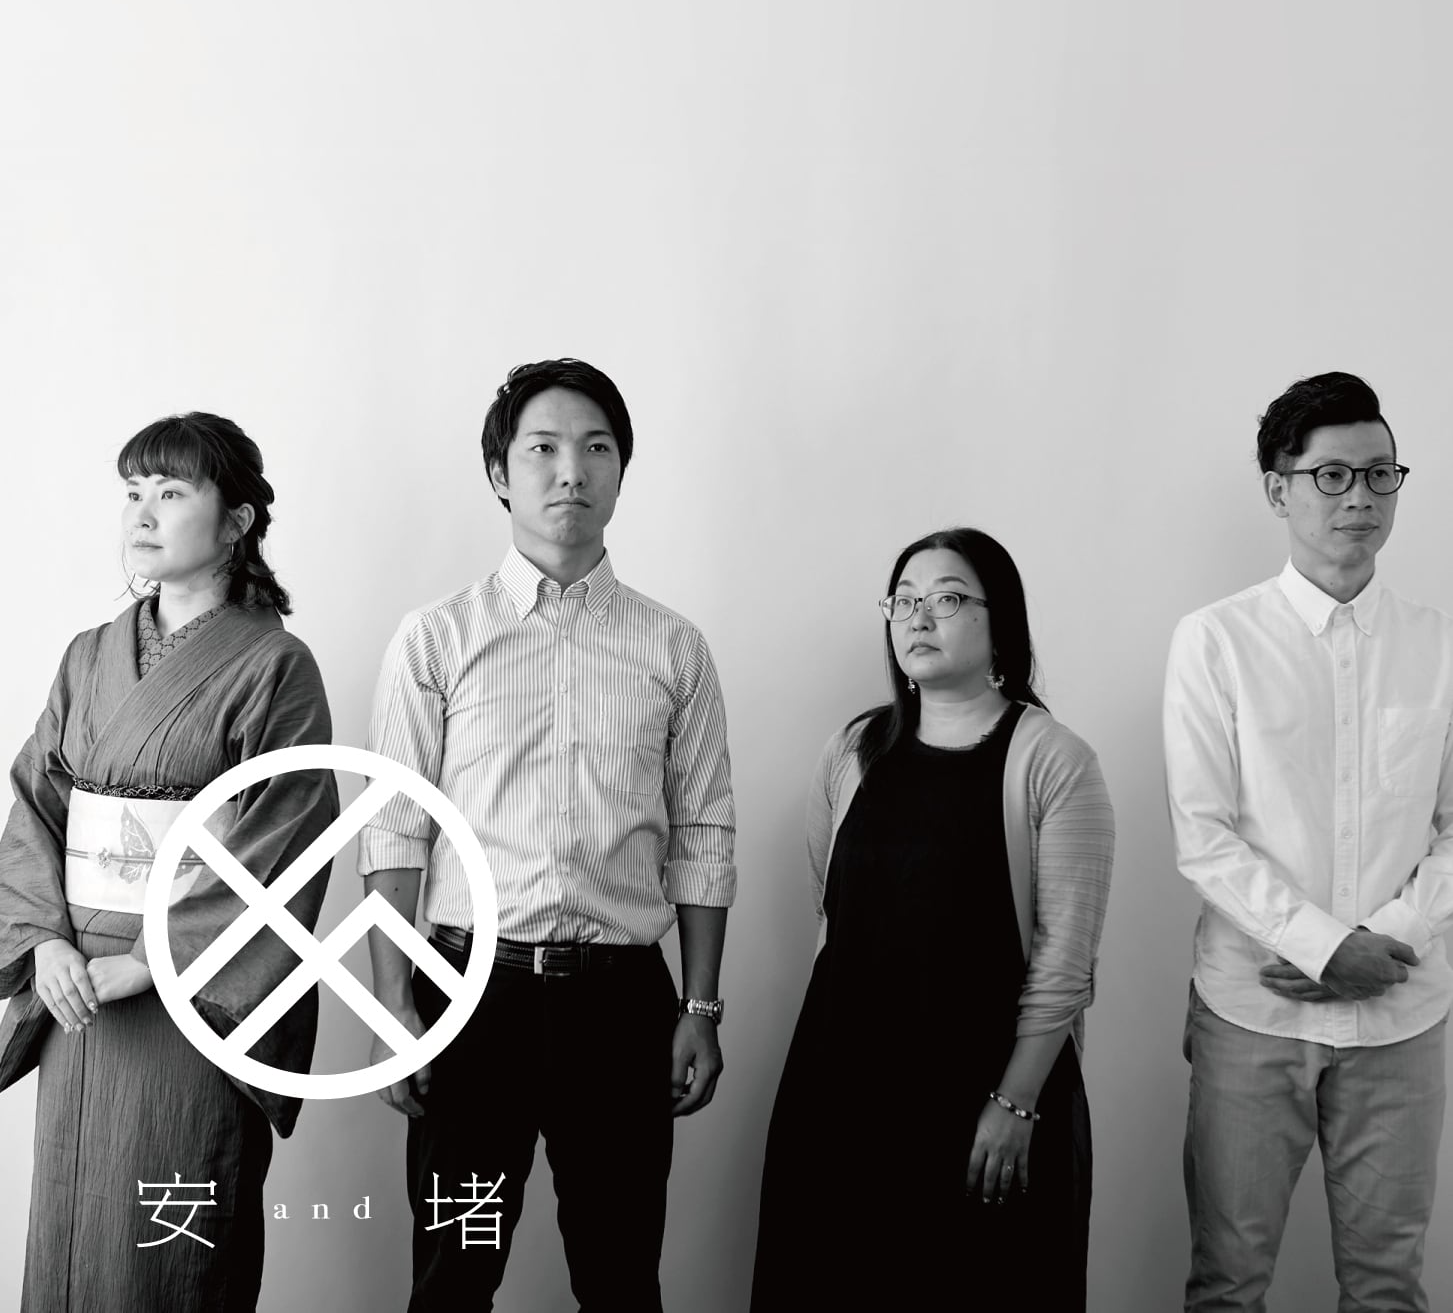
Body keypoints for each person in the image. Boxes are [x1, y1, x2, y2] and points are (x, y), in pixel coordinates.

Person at [358, 358, 736, 1313]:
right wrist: (394, 1006)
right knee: (452, 1280)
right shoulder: (436, 638)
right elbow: (395, 828)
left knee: (620, 1282)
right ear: (500, 472)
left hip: (620, 1007)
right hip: (468, 994)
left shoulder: (674, 647)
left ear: (620, 469)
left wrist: (700, 1004)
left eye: (596, 448)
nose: (571, 470)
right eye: (543, 449)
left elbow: (702, 831)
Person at [0, 411, 338, 1313]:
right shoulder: (89, 655)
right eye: (133, 492)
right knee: (72, 1224)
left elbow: (288, 836)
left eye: (172, 491)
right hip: (76, 986)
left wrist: (153, 960)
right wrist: (43, 941)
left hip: (190, 995)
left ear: (237, 521)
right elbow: (36, 803)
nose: (142, 513)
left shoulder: (275, 665)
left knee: (171, 1238)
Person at [751, 526, 1115, 1312]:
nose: (918, 617)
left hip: (983, 1094)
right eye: (904, 600)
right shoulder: (853, 749)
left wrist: (1015, 1101)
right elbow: (831, 903)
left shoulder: (1052, 759)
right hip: (841, 1088)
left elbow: (1064, 959)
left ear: (999, 622)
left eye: (946, 599)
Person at [1166, 371, 1453, 1311]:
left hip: (1402, 1012)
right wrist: (1327, 949)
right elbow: (1203, 836)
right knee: (1226, 1283)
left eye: (1378, 473)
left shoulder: (1439, 645)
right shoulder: (1214, 640)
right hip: (1254, 1010)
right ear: (1276, 488)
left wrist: (1387, 941)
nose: (1358, 497)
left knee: (1386, 1287)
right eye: (1330, 475)